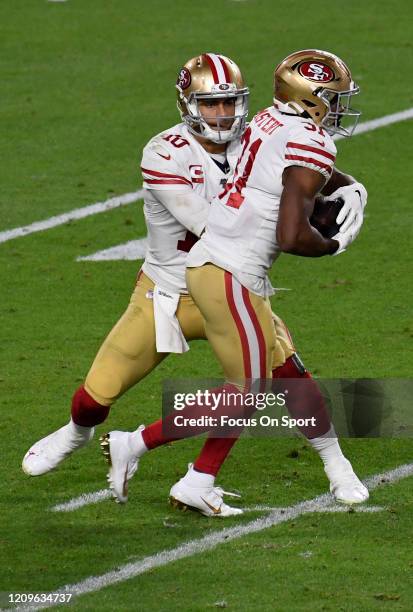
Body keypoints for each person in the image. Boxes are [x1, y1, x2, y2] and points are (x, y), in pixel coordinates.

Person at [99, 50, 369, 516]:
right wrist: (333, 244)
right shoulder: (310, 141)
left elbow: (297, 167)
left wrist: (346, 185)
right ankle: (136, 444)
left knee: (282, 374)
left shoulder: (269, 119)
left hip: (220, 267)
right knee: (247, 391)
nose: (340, 106)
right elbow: (290, 235)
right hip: (230, 272)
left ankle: (222, 477)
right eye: (333, 98)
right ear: (310, 99)